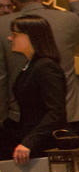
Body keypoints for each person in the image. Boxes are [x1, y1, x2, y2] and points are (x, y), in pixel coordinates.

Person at [0, 0, 79, 137]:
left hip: (21, 116)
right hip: (67, 113)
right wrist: (75, 2)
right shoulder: (68, 20)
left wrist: (3, 117)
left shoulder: (3, 26)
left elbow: (1, 78)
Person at [5, 16, 66, 162]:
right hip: (30, 139)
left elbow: (56, 111)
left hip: (42, 144)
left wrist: (29, 142)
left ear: (31, 36)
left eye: (14, 34)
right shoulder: (31, 65)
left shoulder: (45, 66)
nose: (9, 38)